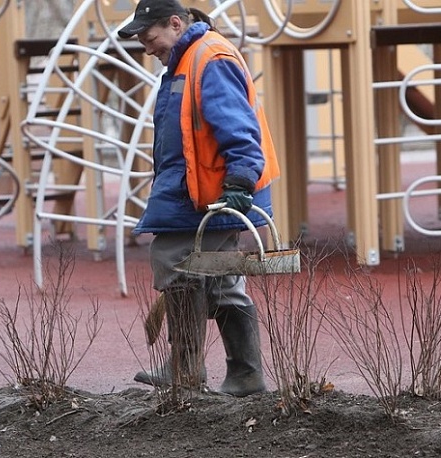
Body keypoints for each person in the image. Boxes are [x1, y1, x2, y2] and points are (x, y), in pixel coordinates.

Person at [118, 0, 280, 396]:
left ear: (175, 24)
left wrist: (240, 183)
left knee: (173, 259)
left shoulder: (209, 59)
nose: (147, 48)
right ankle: (245, 374)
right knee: (221, 279)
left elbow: (239, 129)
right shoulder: (187, 59)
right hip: (200, 190)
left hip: (216, 193)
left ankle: (185, 370)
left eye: (150, 37)